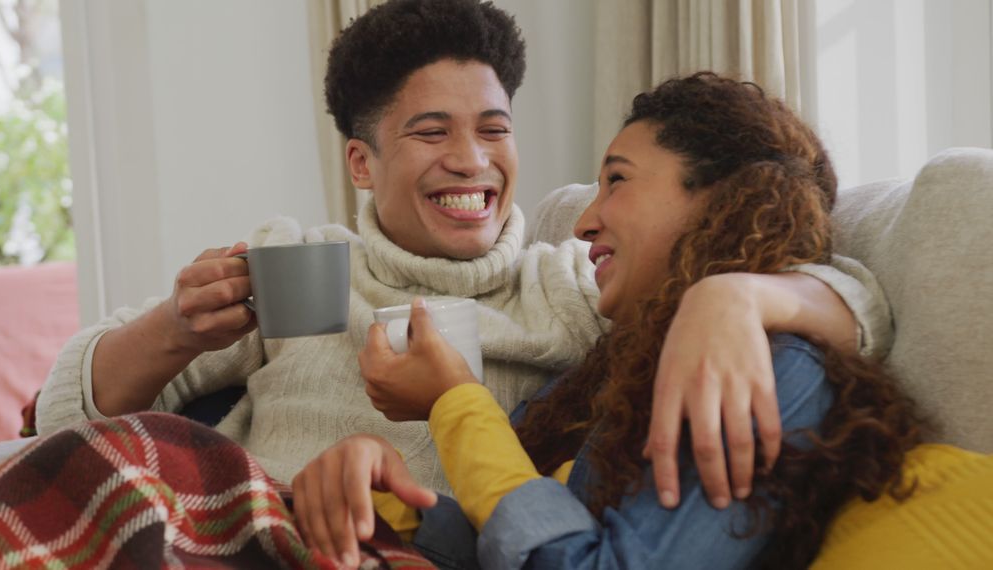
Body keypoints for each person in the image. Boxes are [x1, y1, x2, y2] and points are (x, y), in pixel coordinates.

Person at [36, 0, 886, 524]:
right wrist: (173, 330)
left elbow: (859, 299)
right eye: (431, 131)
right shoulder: (300, 267)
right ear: (362, 163)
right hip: (244, 529)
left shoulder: (573, 286)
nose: (472, 161)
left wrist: (735, 300)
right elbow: (63, 413)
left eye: (493, 128)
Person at [293, 73, 922, 569]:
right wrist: (387, 505)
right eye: (431, 132)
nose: (584, 220)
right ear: (362, 163)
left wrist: (457, 403)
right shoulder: (624, 359)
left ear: (722, 199)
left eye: (616, 182)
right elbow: (508, 542)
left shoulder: (762, 369)